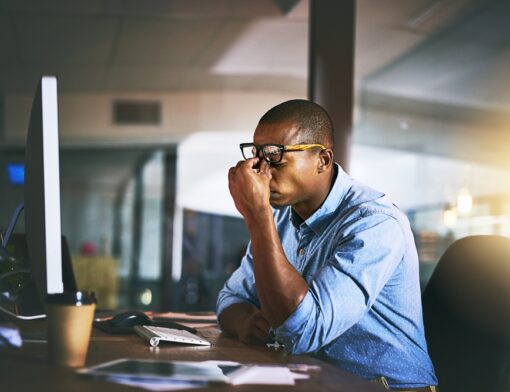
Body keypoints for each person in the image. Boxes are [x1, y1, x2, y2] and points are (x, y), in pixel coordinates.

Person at [216, 99, 438, 390]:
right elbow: (230, 297)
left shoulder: (375, 223)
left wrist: (257, 217)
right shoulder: (282, 218)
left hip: (387, 387)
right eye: (256, 156)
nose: (261, 171)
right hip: (318, 382)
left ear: (322, 160)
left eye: (275, 156)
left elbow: (303, 331)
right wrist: (246, 323)